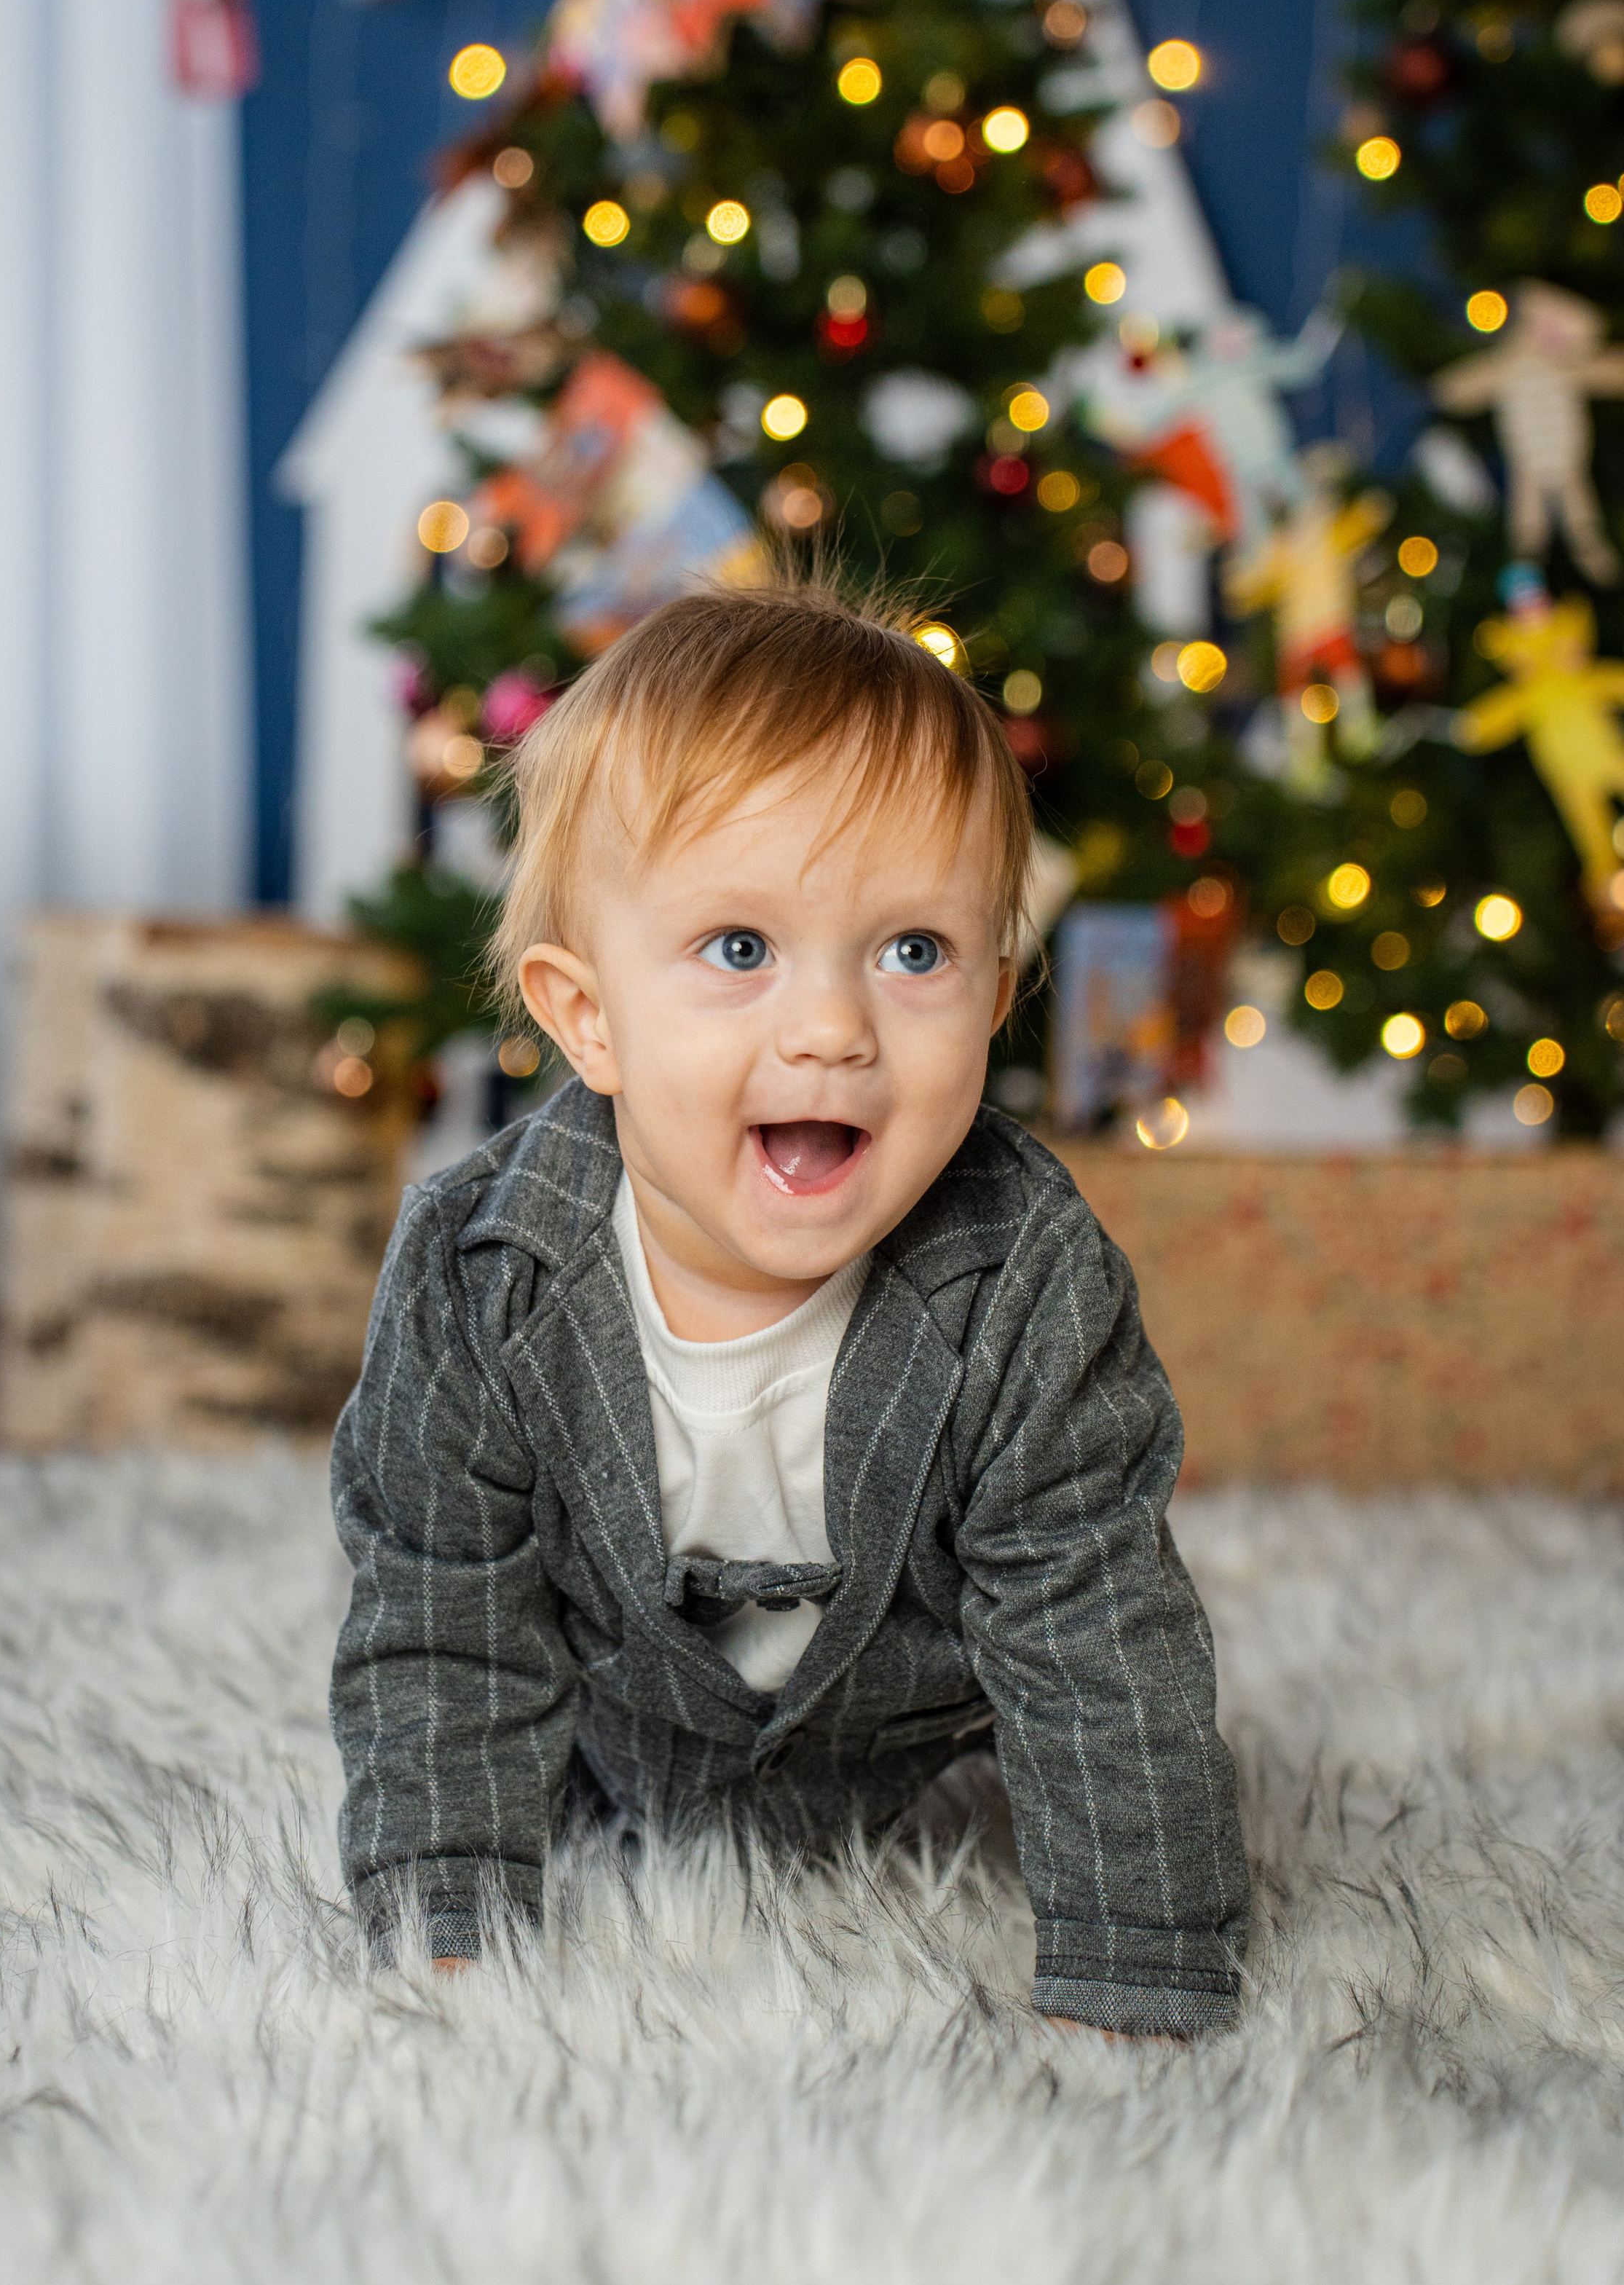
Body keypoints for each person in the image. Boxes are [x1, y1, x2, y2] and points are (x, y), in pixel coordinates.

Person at [329, 578, 1248, 2036]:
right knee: (456, 1655)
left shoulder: (1016, 1275)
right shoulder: (479, 1273)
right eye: (740, 950)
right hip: (608, 1735)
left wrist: (1136, 1970)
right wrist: (444, 1921)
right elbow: (445, 1617)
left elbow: (1093, 1632)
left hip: (901, 1740)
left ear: (997, 992)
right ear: (586, 1018)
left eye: (913, 953)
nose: (831, 1029)